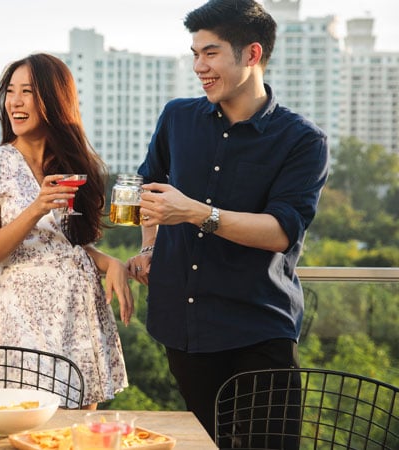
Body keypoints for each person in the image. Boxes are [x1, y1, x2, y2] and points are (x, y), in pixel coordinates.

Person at [127, 0, 329, 444]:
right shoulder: (177, 117)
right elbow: (150, 187)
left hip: (256, 328)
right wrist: (149, 245)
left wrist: (196, 213)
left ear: (251, 54)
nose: (199, 66)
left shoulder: (302, 141)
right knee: (209, 443)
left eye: (211, 53)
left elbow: (280, 233)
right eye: (195, 53)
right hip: (181, 325)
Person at [0, 53, 131, 410]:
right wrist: (37, 206)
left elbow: (65, 244)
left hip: (80, 306)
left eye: (29, 91)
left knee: (78, 426)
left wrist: (109, 262)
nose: (16, 101)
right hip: (24, 312)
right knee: (23, 417)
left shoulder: (73, 164)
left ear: (55, 101)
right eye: (11, 91)